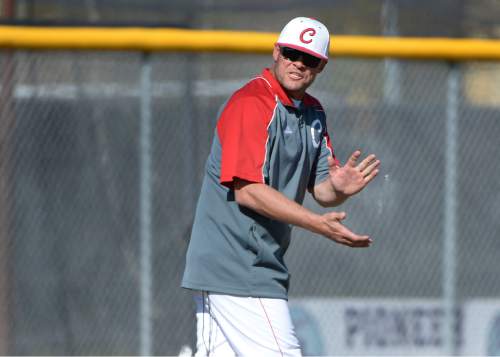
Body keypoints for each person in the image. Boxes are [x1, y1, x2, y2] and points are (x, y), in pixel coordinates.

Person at [181, 17, 380, 356]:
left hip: (252, 264)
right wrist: (317, 224)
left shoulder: (313, 114)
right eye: (291, 53)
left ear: (321, 67)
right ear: (276, 51)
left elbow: (321, 191)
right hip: (237, 265)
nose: (298, 64)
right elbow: (248, 190)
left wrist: (340, 188)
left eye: (309, 59)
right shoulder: (252, 103)